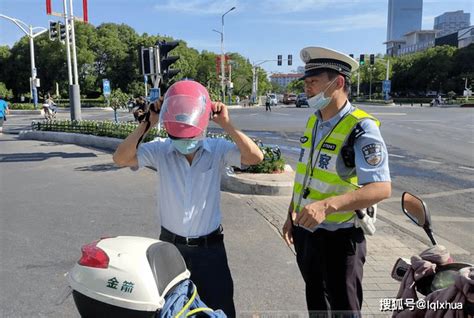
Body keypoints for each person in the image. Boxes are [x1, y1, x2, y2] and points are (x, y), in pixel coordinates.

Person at [113, 80, 264, 316]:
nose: (184, 141)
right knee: (172, 311)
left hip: (210, 250)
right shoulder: (161, 150)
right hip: (171, 249)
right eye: (178, 136)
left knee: (220, 308)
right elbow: (120, 158)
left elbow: (255, 157)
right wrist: (148, 123)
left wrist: (226, 124)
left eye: (189, 135)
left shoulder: (217, 150)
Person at [282, 47, 392, 317]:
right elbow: (305, 176)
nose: (307, 90)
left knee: (343, 309)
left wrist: (327, 206)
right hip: (307, 233)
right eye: (306, 83)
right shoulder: (314, 122)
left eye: (313, 83)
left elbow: (381, 187)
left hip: (340, 239)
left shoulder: (361, 128)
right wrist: (290, 214)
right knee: (317, 306)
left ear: (338, 82)